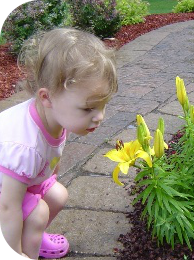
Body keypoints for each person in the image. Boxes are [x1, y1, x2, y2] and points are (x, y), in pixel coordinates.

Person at [0, 28, 118, 260]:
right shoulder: (24, 145)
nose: (100, 116)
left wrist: (50, 174)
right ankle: (25, 248)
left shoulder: (58, 116)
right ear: (47, 97)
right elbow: (7, 207)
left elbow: (52, 154)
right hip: (5, 191)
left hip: (23, 180)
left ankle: (33, 235)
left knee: (58, 195)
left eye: (103, 105)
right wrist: (11, 254)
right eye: (88, 108)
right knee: (38, 213)